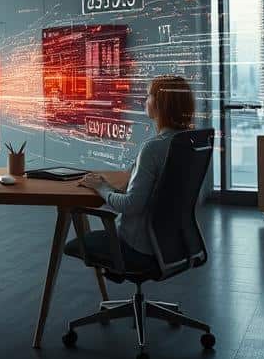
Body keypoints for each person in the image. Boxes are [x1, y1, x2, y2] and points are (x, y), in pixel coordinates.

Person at [71, 75, 195, 269]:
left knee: (74, 228)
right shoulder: (188, 142)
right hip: (173, 245)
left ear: (161, 103)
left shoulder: (153, 148)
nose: (145, 101)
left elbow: (131, 206)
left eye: (149, 96)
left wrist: (101, 187)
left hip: (139, 247)